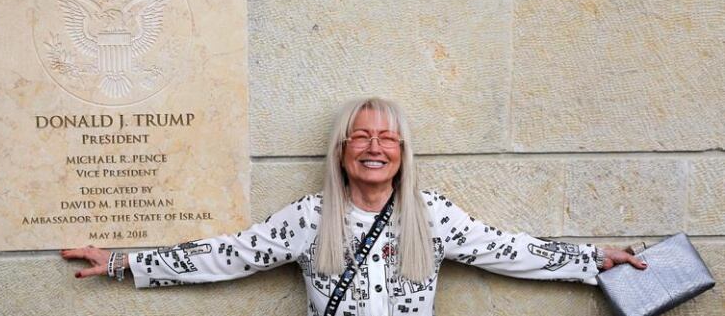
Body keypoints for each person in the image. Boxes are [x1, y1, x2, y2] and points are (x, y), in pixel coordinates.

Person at [62, 97, 646, 315]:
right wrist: (122, 262)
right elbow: (227, 255)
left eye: (387, 138)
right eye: (361, 137)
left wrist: (593, 260)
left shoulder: (431, 215)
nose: (374, 148)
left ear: (402, 151)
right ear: (342, 151)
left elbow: (509, 250)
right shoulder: (311, 218)